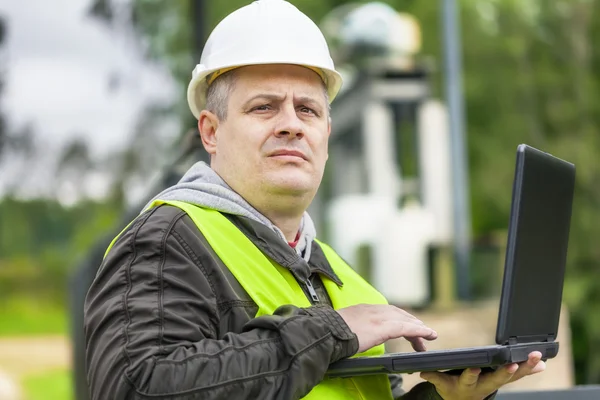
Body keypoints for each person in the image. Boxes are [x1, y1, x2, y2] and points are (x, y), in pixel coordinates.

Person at [83, 1, 546, 399]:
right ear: (210, 130)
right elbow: (135, 385)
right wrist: (332, 331)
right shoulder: (167, 243)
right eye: (264, 106)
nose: (291, 124)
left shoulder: (345, 282)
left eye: (307, 109)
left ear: (325, 131)